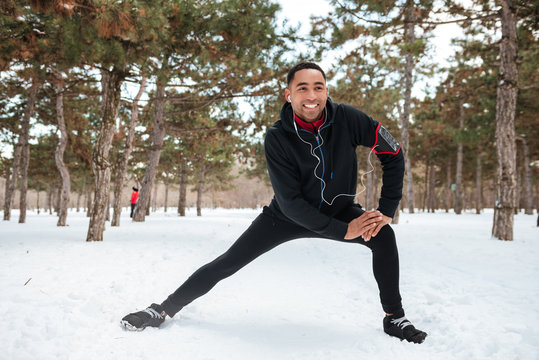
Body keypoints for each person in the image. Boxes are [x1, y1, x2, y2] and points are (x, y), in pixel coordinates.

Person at [121, 62, 427, 344]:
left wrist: (386, 209)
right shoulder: (277, 137)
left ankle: (394, 318)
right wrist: (342, 230)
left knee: (383, 236)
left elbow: (393, 152)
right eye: (302, 88)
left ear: (327, 91)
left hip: (339, 209)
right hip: (286, 217)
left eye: (318, 87)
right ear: (289, 94)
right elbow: (291, 202)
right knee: (228, 261)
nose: (311, 95)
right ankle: (161, 310)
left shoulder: (349, 118)